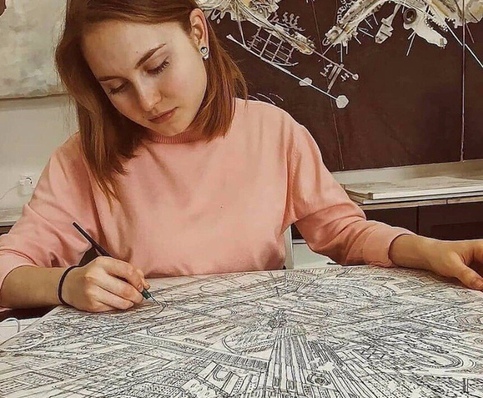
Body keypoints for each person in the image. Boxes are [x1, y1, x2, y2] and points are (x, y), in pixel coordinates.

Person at [0, 0, 482, 313]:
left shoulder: (274, 132)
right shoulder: (85, 157)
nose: (146, 101)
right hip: (149, 368)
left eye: (158, 66)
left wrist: (426, 250)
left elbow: (345, 233)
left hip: (265, 357)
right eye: (116, 87)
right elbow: (8, 269)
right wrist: (67, 284)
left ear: (197, 32)